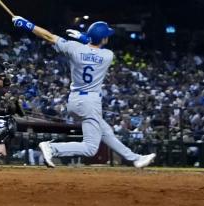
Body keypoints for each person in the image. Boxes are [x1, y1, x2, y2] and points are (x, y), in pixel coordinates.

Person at [9, 16, 155, 169]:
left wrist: (27, 25)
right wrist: (84, 38)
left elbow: (48, 36)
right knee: (90, 148)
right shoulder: (107, 55)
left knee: (106, 131)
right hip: (90, 103)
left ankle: (135, 158)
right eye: (106, 36)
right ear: (103, 38)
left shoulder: (74, 48)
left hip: (74, 101)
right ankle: (52, 148)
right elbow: (95, 47)